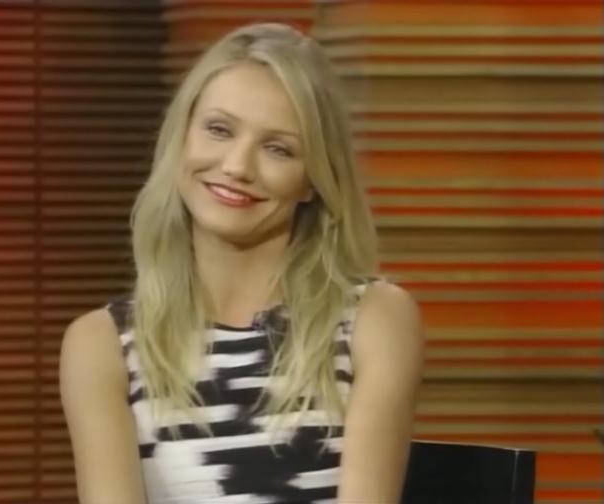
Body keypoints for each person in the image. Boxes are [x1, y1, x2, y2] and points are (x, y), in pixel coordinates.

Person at [59, 22, 424, 504]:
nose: (236, 166)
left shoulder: (374, 321)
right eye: (218, 129)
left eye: (278, 149)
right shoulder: (101, 346)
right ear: (181, 139)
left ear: (313, 180)